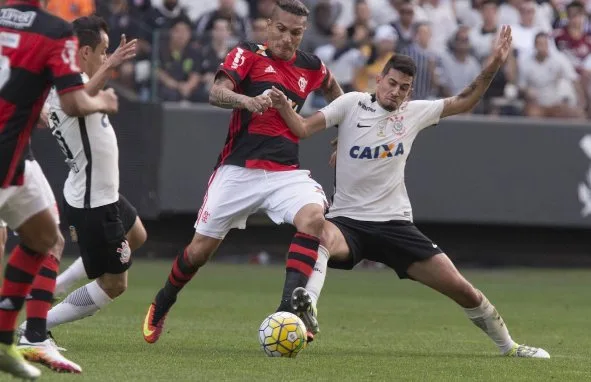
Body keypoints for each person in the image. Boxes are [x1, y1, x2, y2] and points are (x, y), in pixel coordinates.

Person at [269, 26, 550, 359]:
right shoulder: (351, 104)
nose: (396, 92)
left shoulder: (414, 113)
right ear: (379, 80)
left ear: (409, 91)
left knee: (462, 289)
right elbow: (301, 128)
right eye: (391, 83)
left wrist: (493, 64)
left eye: (404, 88)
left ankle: (510, 347)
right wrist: (284, 107)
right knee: (319, 235)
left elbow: (467, 100)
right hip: (348, 222)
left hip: (395, 226)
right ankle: (308, 310)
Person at [143, 0, 343, 344]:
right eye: (281, 30)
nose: (287, 39)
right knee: (198, 253)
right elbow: (216, 92)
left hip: (285, 173)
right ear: (269, 26)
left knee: (313, 219)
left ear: (303, 33)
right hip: (238, 169)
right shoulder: (247, 54)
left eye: (295, 33)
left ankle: (288, 311)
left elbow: (337, 95)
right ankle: (163, 300)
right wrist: (247, 102)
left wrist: (341, 135)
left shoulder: (312, 66)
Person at [0, 0, 119, 378]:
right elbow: (72, 102)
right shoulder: (54, 31)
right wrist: (104, 100)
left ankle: (24, 338)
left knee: (47, 237)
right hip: (5, 155)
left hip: (20, 157)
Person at [17, 15, 147, 357]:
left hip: (104, 193)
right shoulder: (70, 86)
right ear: (85, 51)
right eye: (104, 52)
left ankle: (56, 286)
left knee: (138, 236)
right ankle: (38, 325)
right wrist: (114, 65)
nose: (107, 57)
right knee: (114, 284)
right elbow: (75, 100)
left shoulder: (69, 82)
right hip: (94, 202)